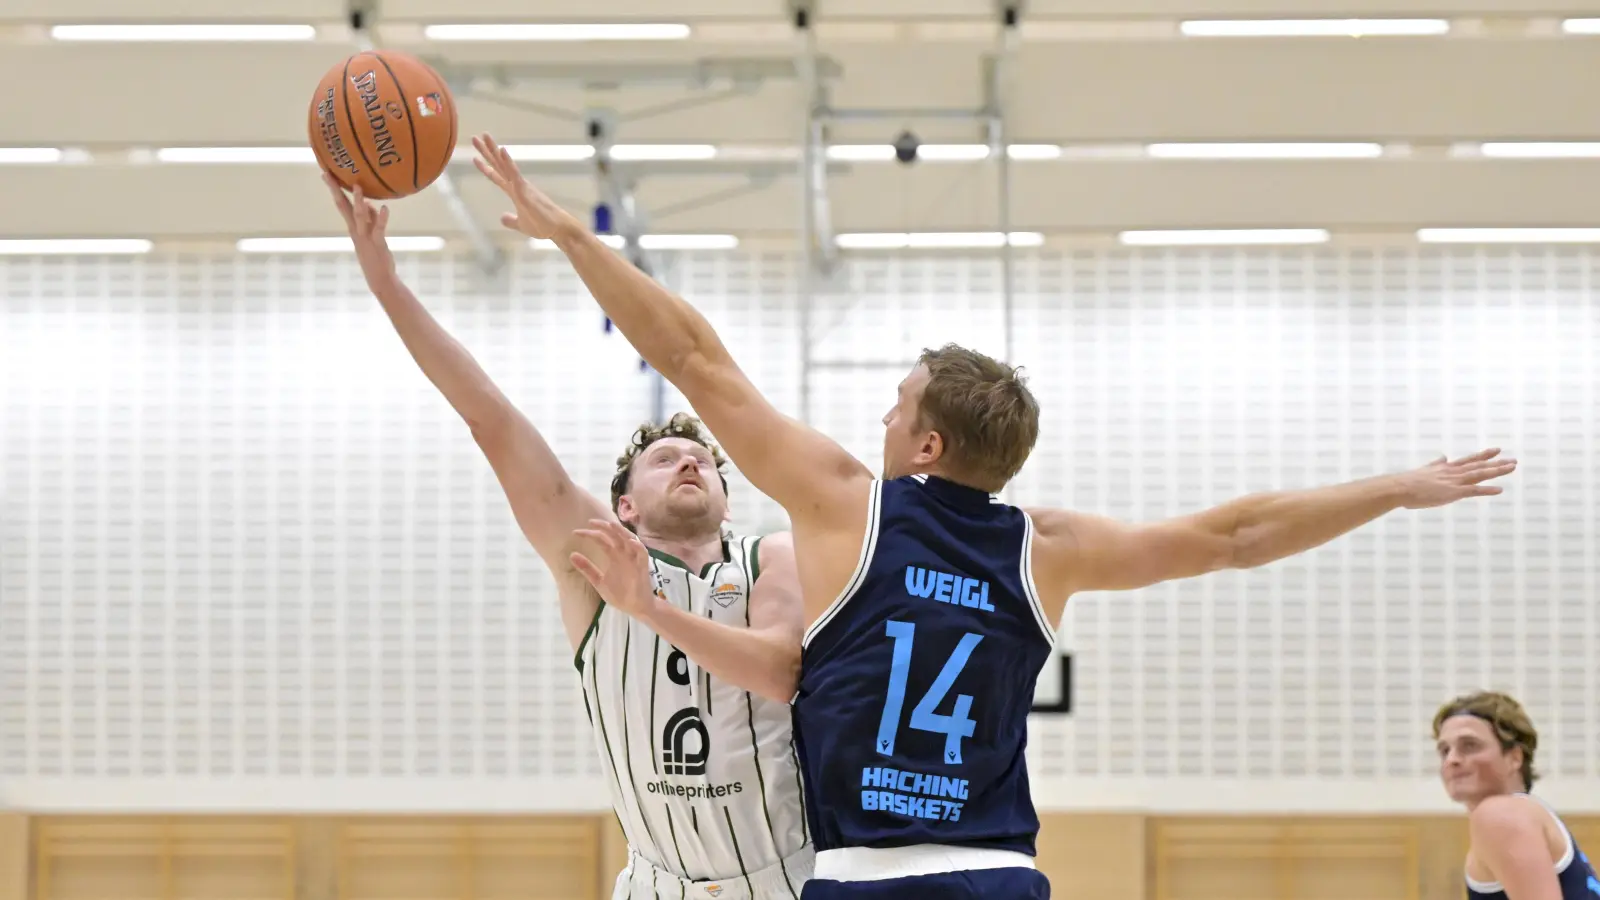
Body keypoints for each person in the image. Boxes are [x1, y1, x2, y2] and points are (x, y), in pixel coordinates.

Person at [468, 134, 1518, 899]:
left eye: (898, 401)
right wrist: (1388, 488)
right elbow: (1236, 535)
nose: (882, 411)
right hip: (994, 874)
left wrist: (572, 235)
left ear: (925, 444)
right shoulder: (1046, 548)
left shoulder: (842, 507)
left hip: (858, 875)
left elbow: (693, 357)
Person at [321, 175, 814, 900]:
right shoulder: (588, 558)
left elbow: (780, 672)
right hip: (658, 886)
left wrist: (653, 610)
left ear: (725, 501)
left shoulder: (770, 555)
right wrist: (387, 284)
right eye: (665, 459)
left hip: (780, 881)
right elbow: (488, 417)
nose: (690, 461)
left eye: (705, 461)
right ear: (624, 509)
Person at [1434, 692, 1600, 900]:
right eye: (1444, 750)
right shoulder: (1528, 814)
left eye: (1469, 745)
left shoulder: (1500, 814)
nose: (1452, 759)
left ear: (1514, 757)